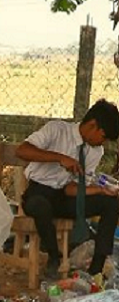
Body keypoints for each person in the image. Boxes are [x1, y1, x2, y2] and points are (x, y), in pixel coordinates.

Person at [17, 98, 119, 279]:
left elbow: (72, 189)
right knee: (40, 205)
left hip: (64, 197)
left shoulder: (95, 151)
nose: (102, 143)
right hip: (39, 192)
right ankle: (53, 257)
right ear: (93, 125)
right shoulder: (57, 130)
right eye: (103, 137)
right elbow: (22, 151)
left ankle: (96, 268)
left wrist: (101, 190)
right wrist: (59, 158)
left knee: (110, 203)